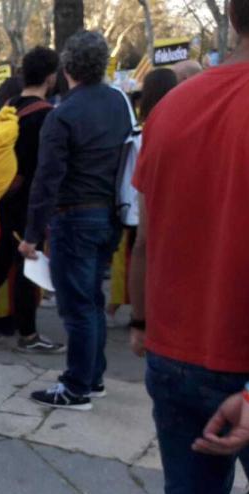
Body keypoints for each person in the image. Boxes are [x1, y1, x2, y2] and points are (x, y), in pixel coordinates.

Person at [129, 1, 249, 494]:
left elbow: (145, 239)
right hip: (234, 361)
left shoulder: (172, 105)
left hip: (174, 355)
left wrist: (141, 321)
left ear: (230, 15)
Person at [20, 30, 131, 410]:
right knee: (92, 301)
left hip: (75, 216)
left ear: (67, 67)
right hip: (108, 213)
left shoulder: (63, 114)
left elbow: (47, 179)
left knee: (77, 306)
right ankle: (91, 377)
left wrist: (31, 234)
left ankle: (78, 385)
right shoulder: (118, 103)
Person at [0, 46, 64, 353]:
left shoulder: (8, 108)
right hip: (27, 204)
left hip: (0, 199)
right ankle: (28, 335)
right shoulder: (46, 116)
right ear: (51, 78)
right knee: (28, 267)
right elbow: (40, 168)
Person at [106, 68, 177, 323]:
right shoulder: (172, 128)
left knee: (136, 255)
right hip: (167, 206)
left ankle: (134, 312)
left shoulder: (140, 132)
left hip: (139, 206)